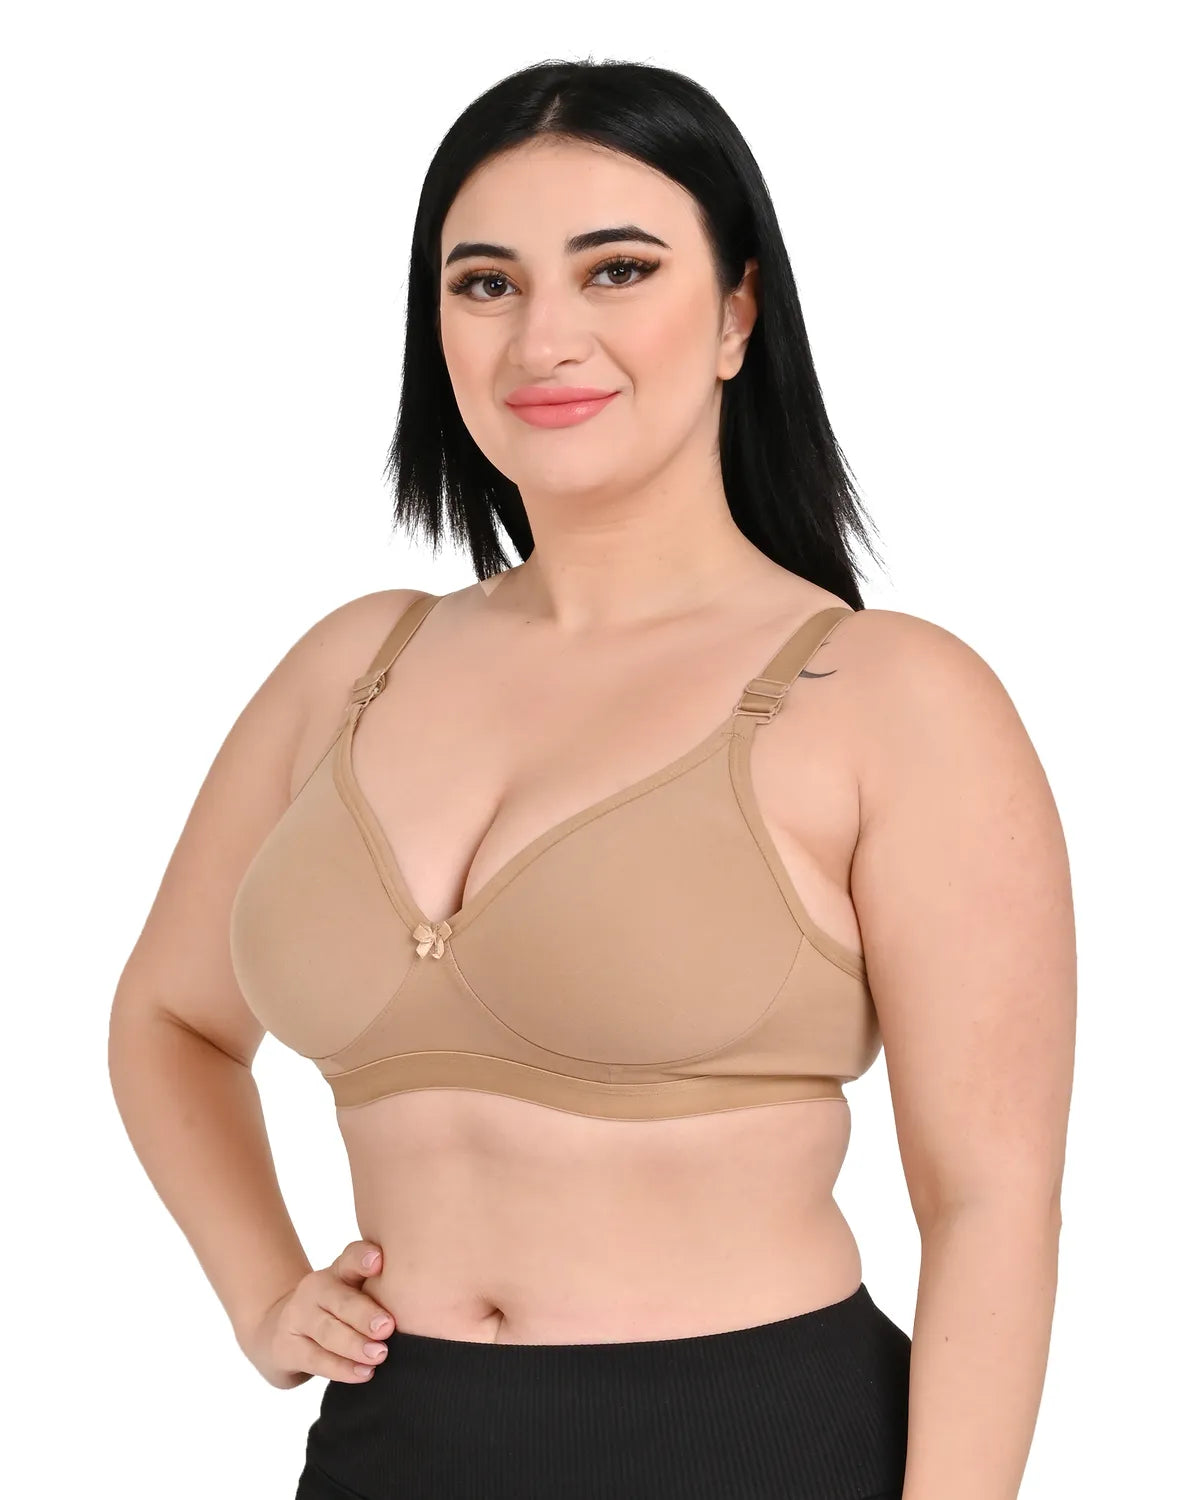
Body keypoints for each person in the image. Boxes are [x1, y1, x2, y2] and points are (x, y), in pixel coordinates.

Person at [108, 57, 1075, 1500]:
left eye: (617, 269)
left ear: (738, 312)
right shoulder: (353, 664)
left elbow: (990, 1201)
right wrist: (259, 1290)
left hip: (757, 1448)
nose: (543, 336)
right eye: (485, 283)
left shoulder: (891, 696)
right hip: (390, 1448)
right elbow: (170, 1020)